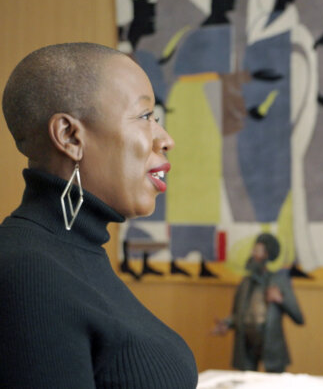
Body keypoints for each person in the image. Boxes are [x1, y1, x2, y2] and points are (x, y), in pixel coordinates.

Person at [0, 43, 198, 387]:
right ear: (70, 136)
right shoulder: (26, 272)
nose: (165, 139)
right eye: (144, 116)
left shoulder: (76, 250)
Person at [212, 233, 304, 372]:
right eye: (253, 250)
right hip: (247, 345)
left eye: (257, 250)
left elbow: (299, 318)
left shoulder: (279, 281)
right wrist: (227, 323)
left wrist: (280, 300)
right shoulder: (245, 283)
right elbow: (238, 314)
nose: (253, 254)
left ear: (267, 255)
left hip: (271, 346)